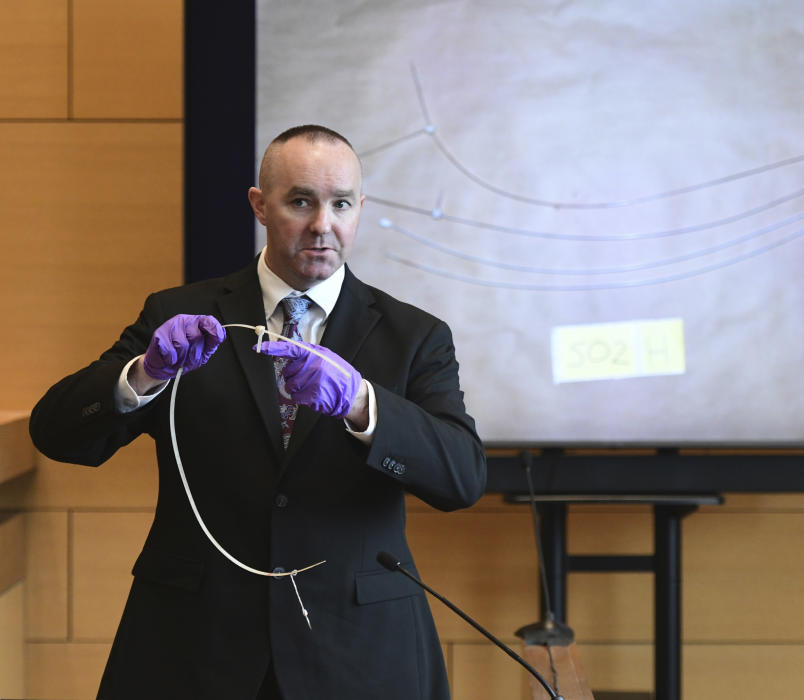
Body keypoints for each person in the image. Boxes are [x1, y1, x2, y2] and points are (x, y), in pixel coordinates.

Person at [30, 125, 487, 700]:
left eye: (341, 203)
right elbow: (56, 433)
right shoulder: (179, 314)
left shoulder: (414, 336)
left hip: (358, 652)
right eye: (301, 201)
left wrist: (361, 404)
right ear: (260, 206)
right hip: (194, 649)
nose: (324, 224)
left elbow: (463, 476)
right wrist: (143, 374)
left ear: (360, 208)